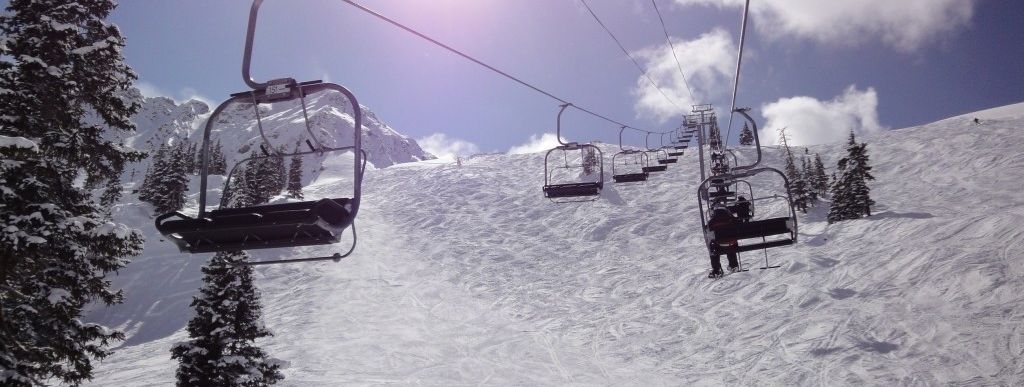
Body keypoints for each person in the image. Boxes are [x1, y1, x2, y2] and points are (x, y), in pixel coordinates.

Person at [707, 207, 740, 278]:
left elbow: (709, 233)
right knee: (730, 242)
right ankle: (733, 265)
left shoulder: (712, 222)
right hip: (732, 244)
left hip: (720, 245)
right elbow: (739, 224)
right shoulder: (732, 219)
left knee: (713, 247)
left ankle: (717, 270)